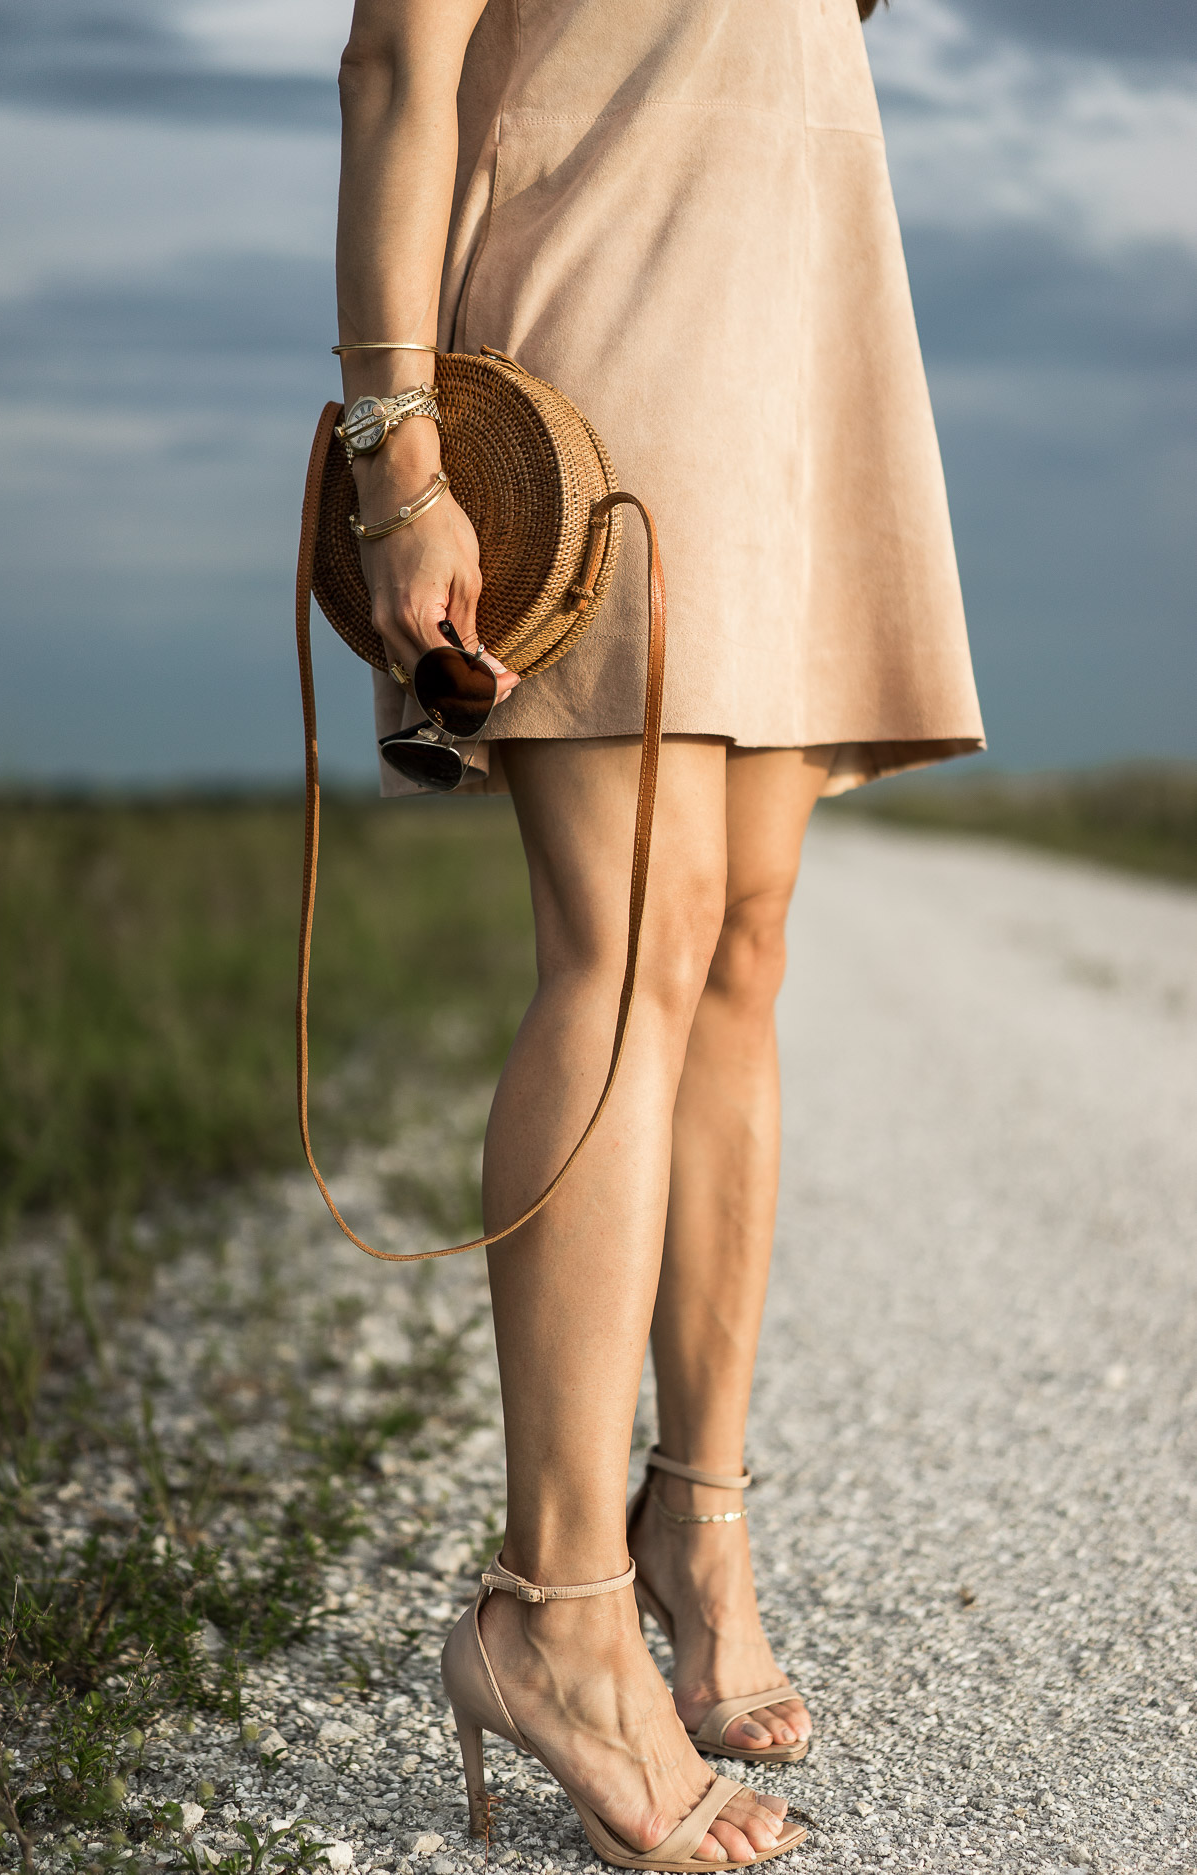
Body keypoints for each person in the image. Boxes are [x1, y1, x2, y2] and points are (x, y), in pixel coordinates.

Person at [334, 0, 983, 1864]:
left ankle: (690, 1524)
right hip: (604, 299)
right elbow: (398, 53)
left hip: (797, 291)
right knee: (626, 942)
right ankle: (552, 1621)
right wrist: (398, 451)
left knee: (742, 945)